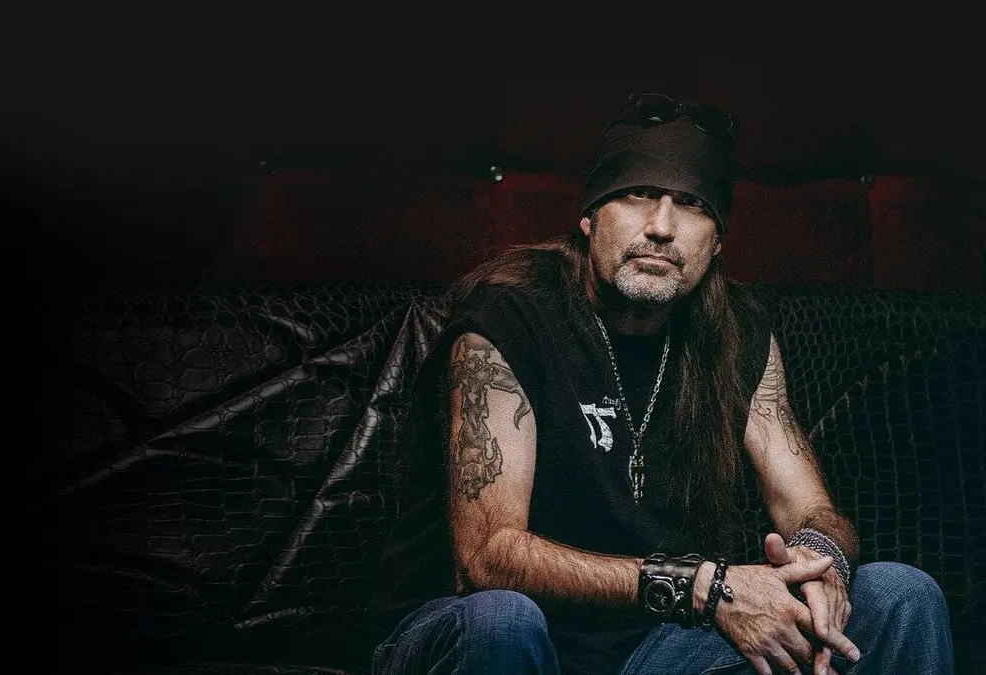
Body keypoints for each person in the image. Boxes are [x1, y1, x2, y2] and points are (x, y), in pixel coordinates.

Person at [366, 92, 954, 674]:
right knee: (505, 620)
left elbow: (810, 508)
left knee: (902, 595)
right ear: (590, 217)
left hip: (652, 645)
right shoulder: (507, 321)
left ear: (717, 241)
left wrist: (822, 566)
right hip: (476, 632)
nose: (662, 227)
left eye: (692, 205)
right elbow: (488, 558)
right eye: (638, 196)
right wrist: (702, 587)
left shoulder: (739, 333)